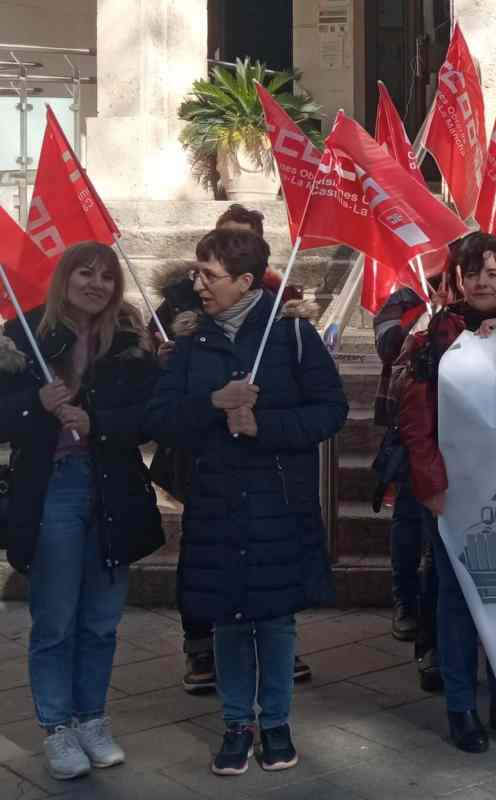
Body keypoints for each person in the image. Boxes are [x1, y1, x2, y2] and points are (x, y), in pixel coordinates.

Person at [144, 228, 348, 776]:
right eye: (196, 273)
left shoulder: (291, 336)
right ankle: (237, 723)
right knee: (228, 618)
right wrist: (213, 402)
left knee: (276, 619)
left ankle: (276, 722)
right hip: (215, 502)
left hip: (277, 503)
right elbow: (159, 419)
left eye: (208, 276)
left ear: (245, 281)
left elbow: (331, 411)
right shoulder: (191, 341)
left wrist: (265, 424)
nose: (197, 285)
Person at [0, 242, 164, 781]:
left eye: (106, 276)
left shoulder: (132, 342)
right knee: (55, 619)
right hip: (54, 488)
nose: (95, 283)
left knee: (100, 620)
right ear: (63, 277)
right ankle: (57, 726)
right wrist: (34, 407)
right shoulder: (23, 335)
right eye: (84, 273)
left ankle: (92, 718)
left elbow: (150, 417)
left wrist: (100, 423)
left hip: (114, 487)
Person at [151, 205, 312, 694]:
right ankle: (200, 645)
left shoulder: (282, 307)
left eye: (243, 243)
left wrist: (265, 423)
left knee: (266, 561)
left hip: (267, 476)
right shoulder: (182, 301)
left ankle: (273, 647)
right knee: (206, 562)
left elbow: (322, 403)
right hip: (201, 465)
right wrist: (169, 363)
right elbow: (159, 407)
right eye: (224, 240)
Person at [395, 233, 496, 753]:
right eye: (473, 272)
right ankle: (460, 707)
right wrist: (431, 487)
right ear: (458, 278)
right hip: (455, 494)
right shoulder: (431, 336)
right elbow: (415, 421)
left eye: (494, 274)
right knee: (456, 603)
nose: (482, 282)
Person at [373, 286, 430, 644]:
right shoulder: (405, 298)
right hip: (411, 428)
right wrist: (424, 319)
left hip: (464, 432)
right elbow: (387, 345)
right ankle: (405, 600)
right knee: (408, 519)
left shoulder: (481, 297)